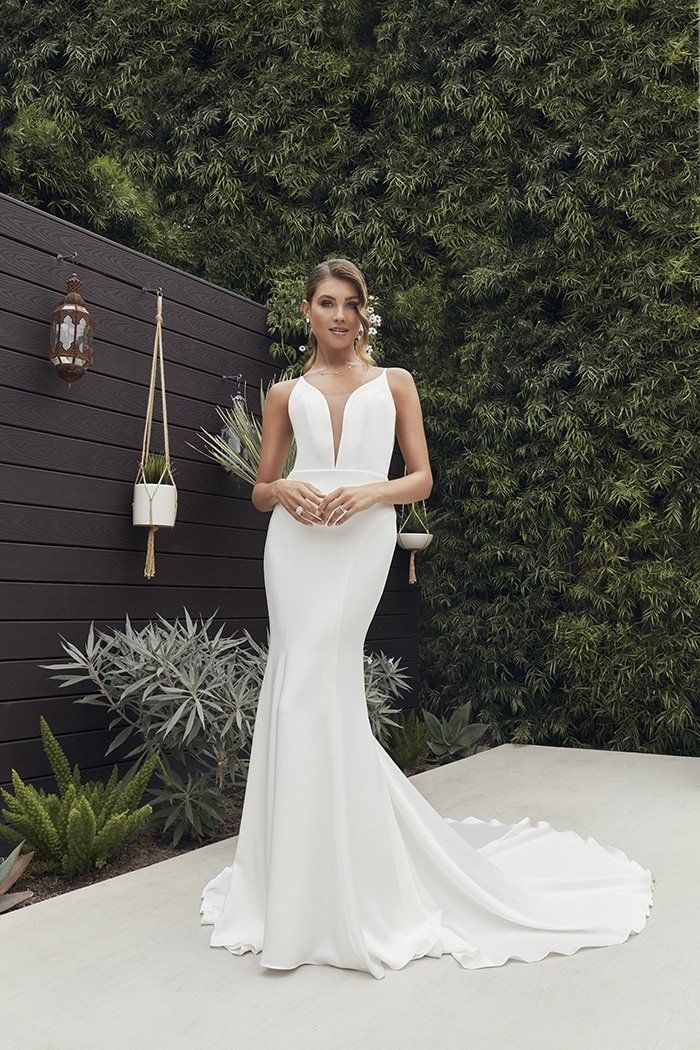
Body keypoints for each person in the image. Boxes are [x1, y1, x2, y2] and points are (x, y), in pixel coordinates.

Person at [200, 258, 654, 979]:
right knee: (293, 688)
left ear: (363, 313)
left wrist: (371, 495)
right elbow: (258, 491)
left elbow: (422, 477)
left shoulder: (396, 383)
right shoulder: (284, 392)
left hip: (360, 538)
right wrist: (284, 487)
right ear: (306, 311)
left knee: (326, 680)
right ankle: (294, 885)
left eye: (351, 304)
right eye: (326, 303)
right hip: (295, 545)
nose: (340, 316)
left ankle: (353, 880)